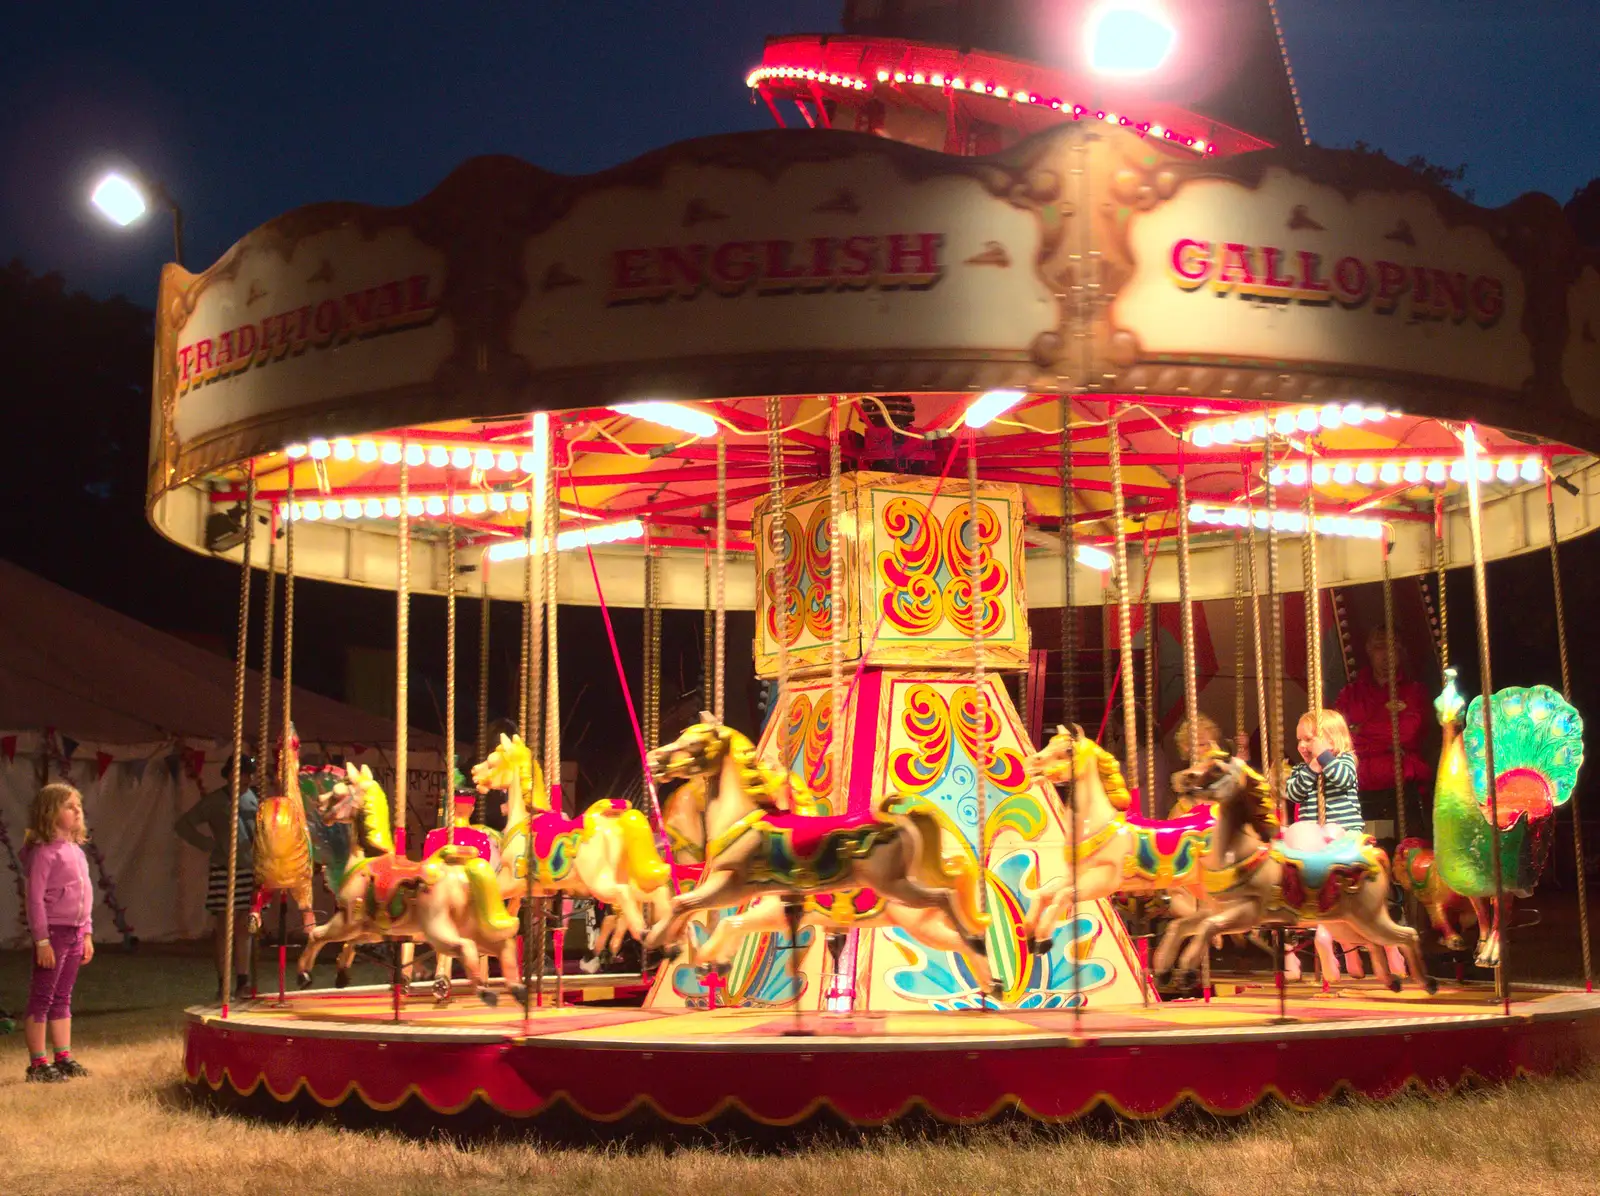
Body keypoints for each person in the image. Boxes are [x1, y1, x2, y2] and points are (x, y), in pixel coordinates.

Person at [21, 783, 95, 1082]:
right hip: (53, 933)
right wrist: (42, 940)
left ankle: (63, 1056)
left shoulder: (76, 851)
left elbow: (85, 895)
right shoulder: (43, 854)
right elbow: (35, 899)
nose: (77, 810)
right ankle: (38, 1063)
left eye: (78, 805)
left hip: (77, 932)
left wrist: (87, 932)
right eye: (69, 806)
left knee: (63, 996)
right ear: (50, 813)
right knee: (43, 996)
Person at [1335, 627, 1432, 843]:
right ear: (1369, 650)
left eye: (1393, 648)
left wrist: (1360, 731)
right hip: (1358, 795)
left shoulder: (1414, 691)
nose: (1386, 654)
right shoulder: (1350, 694)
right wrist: (1385, 738)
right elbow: (1339, 739)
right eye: (1380, 647)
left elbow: (1407, 733)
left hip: (1401, 793)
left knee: (1404, 855)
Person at [175, 754, 259, 998]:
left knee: (245, 924)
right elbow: (183, 825)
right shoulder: (215, 801)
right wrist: (208, 844)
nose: (248, 778)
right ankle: (223, 981)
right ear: (231, 773)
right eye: (243, 773)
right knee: (224, 925)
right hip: (224, 868)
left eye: (250, 773)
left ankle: (243, 980)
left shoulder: (254, 799)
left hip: (250, 868)